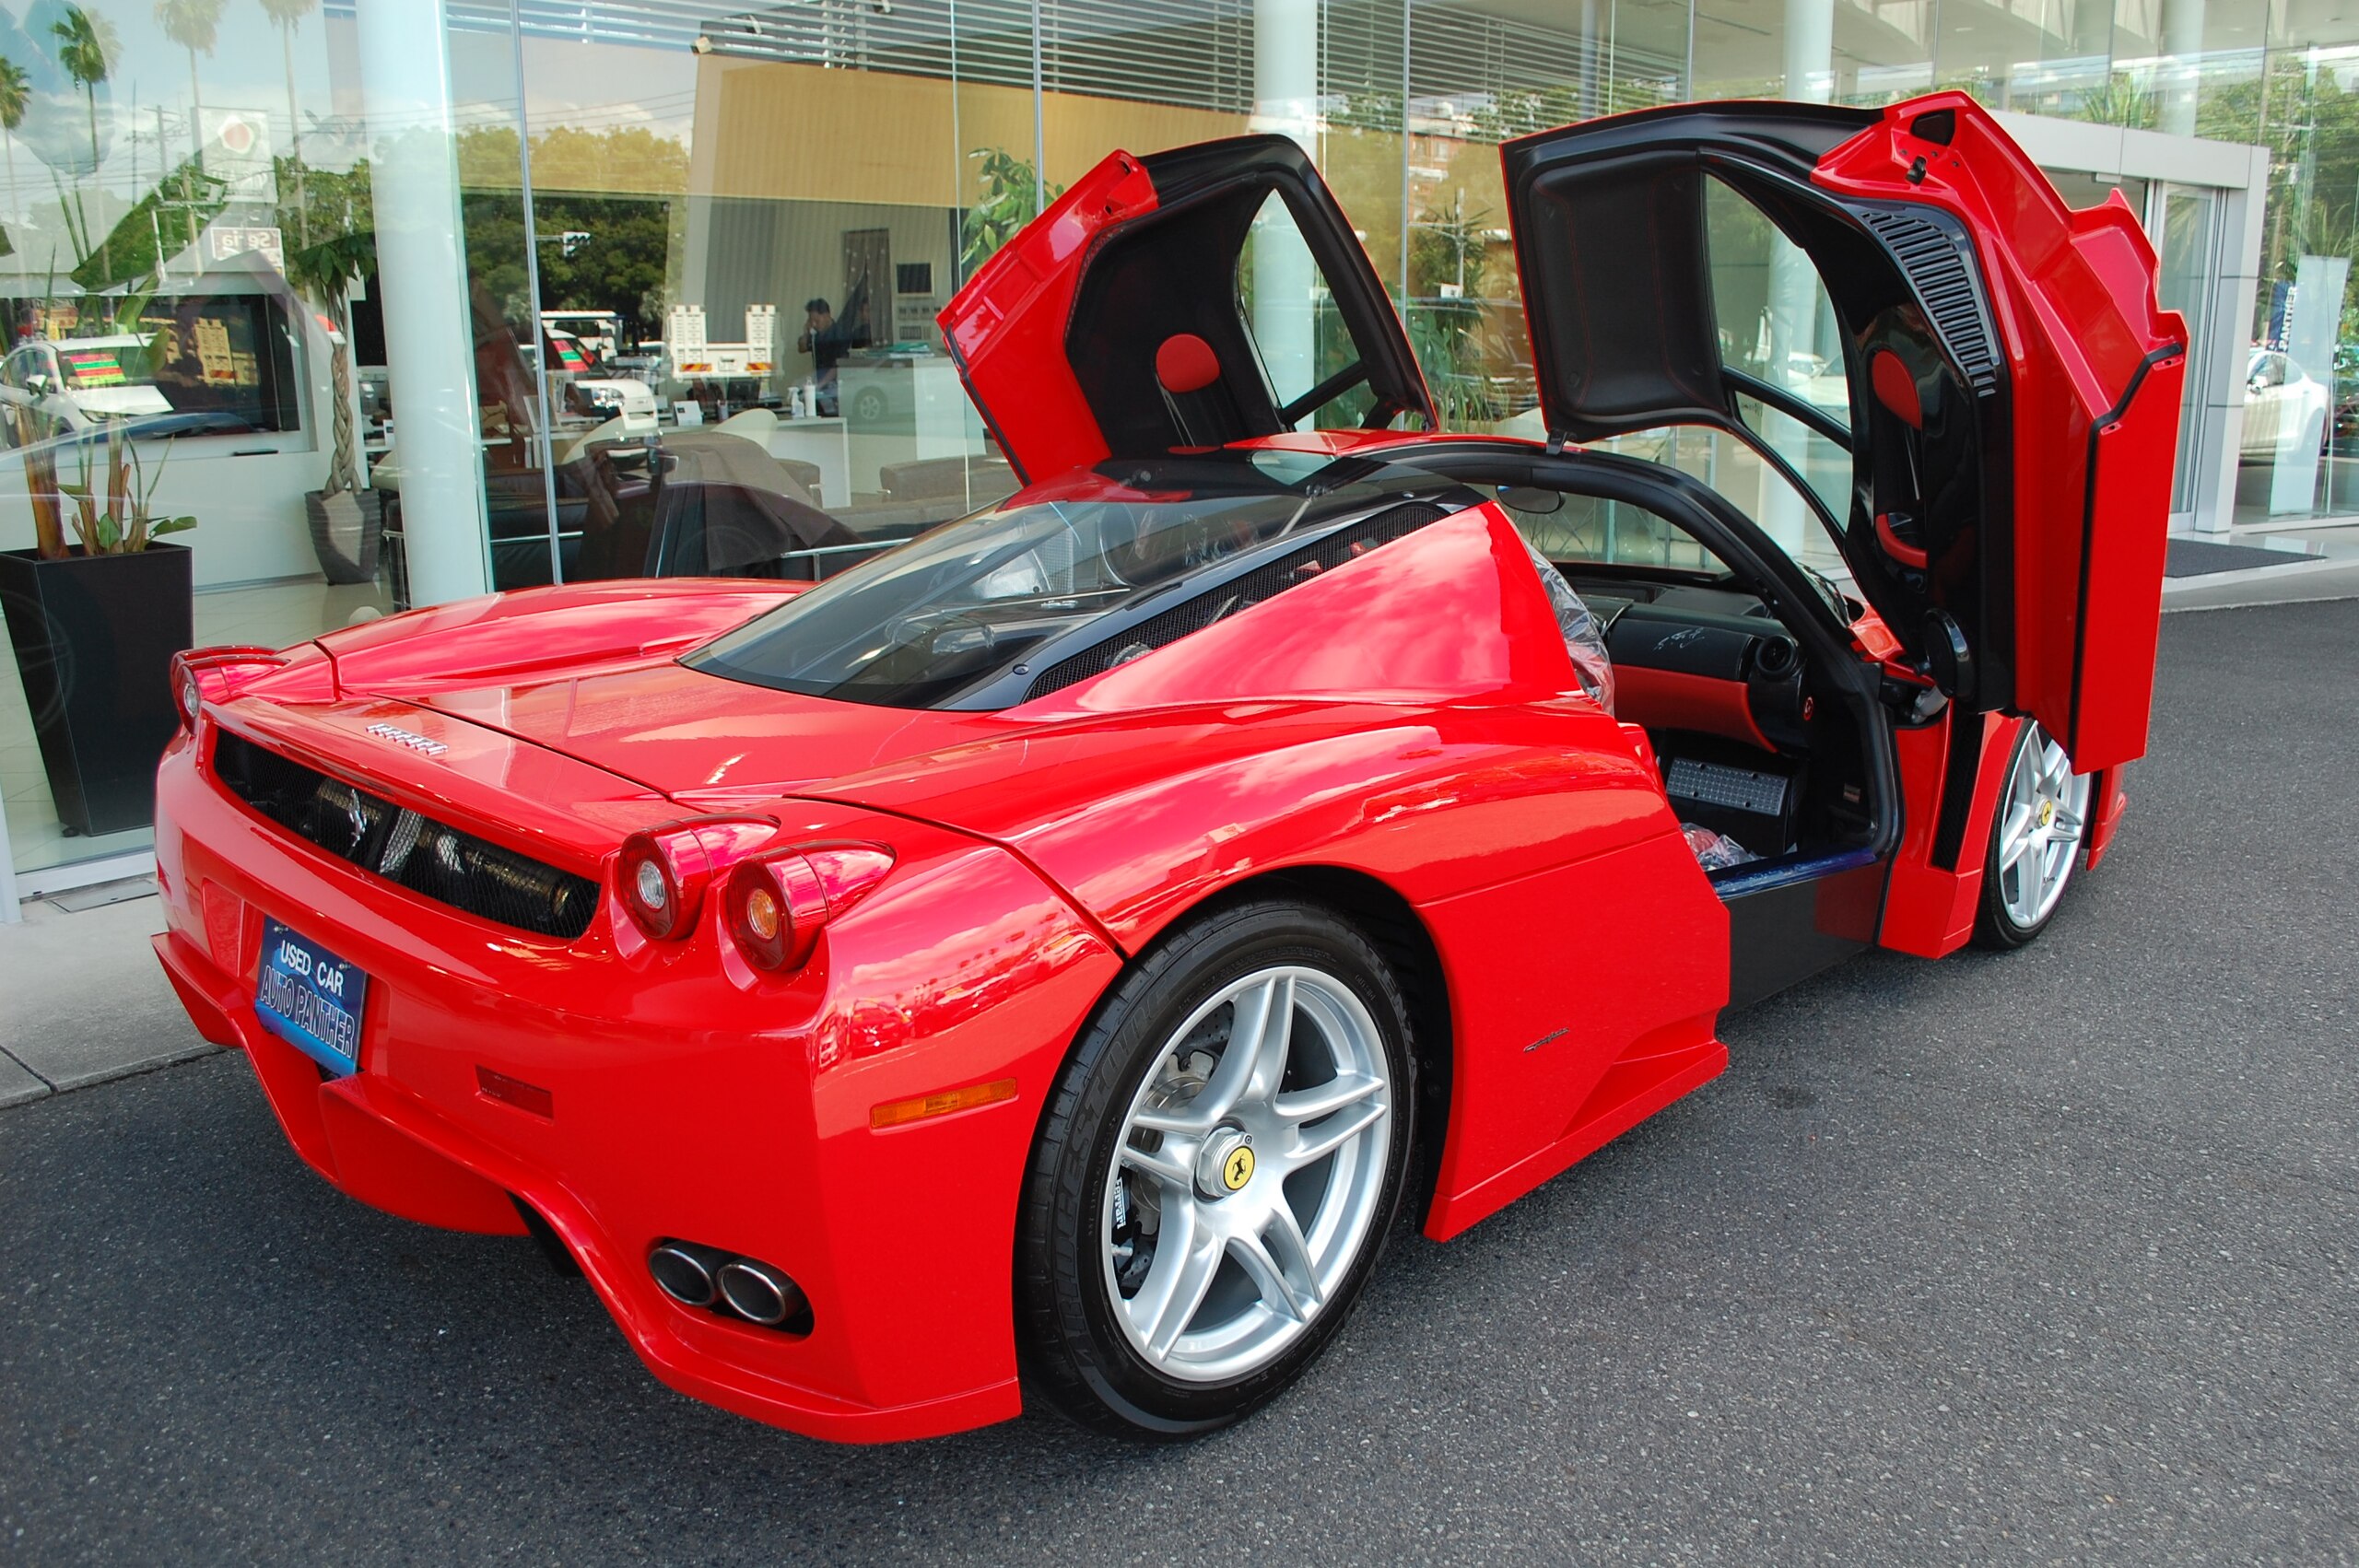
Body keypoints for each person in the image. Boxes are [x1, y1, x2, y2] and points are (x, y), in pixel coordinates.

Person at [797, 297, 850, 415]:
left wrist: (820, 385)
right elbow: (802, 348)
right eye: (811, 321)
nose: (814, 324)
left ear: (826, 315)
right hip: (820, 381)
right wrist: (806, 332)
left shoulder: (839, 334)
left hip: (833, 383)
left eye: (817, 320)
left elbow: (839, 365)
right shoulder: (817, 335)